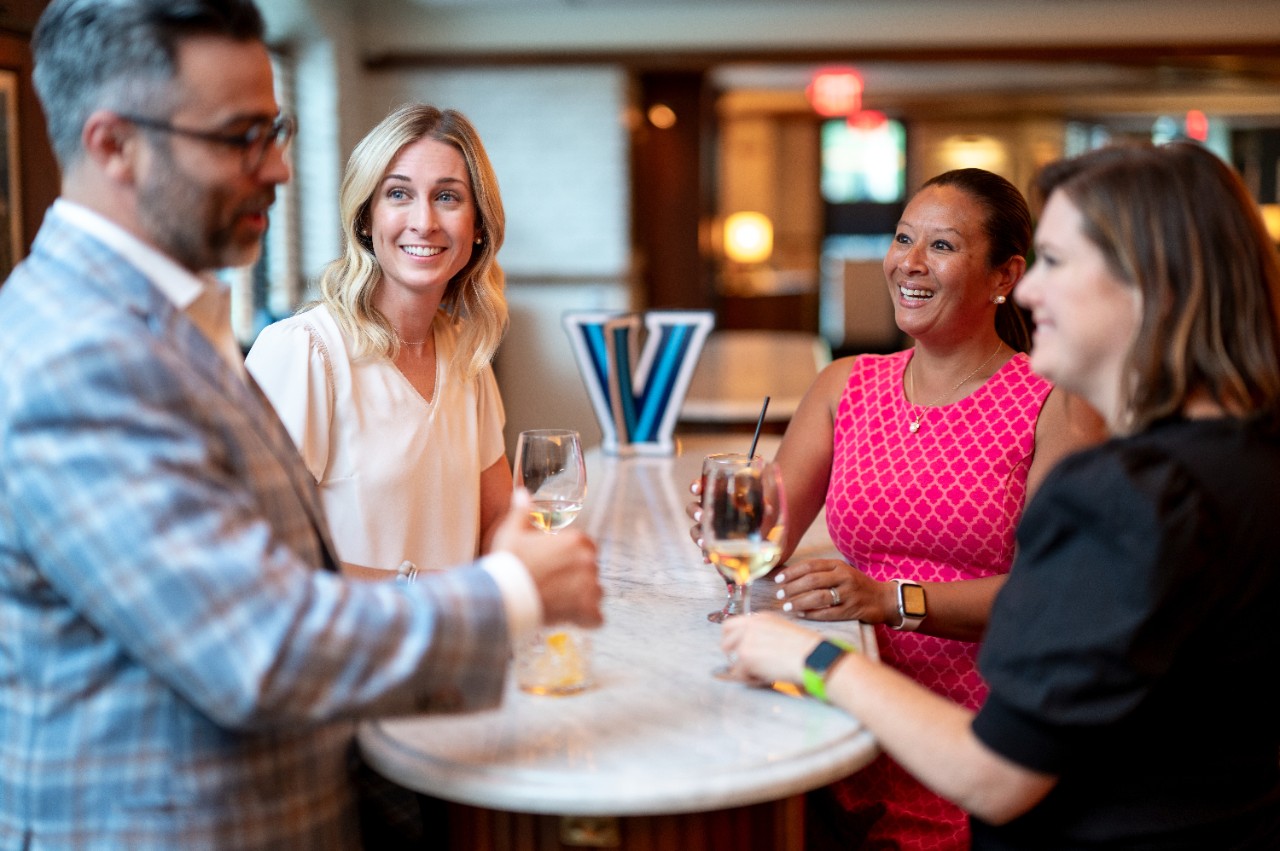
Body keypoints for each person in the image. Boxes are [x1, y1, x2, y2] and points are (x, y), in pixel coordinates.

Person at [0, 1, 600, 848]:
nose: (280, 167)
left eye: (275, 130)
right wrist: (508, 592)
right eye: (240, 135)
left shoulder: (172, 323)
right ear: (114, 146)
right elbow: (259, 646)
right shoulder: (79, 354)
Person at [724, 140, 1280, 849]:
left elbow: (996, 774)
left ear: (1153, 285)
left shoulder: (1129, 497)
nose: (1030, 291)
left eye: (1056, 262)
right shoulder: (1248, 461)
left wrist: (811, 658)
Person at [697, 168, 1103, 848]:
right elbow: (764, 543)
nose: (908, 263)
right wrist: (726, 520)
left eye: (941, 246)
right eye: (902, 238)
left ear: (1006, 275)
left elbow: (1048, 604)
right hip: (839, 717)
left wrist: (892, 598)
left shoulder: (1053, 401)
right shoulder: (845, 384)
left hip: (971, 739)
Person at [247, 103, 510, 578]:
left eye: (448, 197)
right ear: (365, 218)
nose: (424, 221)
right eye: (398, 194)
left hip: (456, 647)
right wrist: (433, 597)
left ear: (478, 227)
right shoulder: (304, 353)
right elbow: (260, 556)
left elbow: (498, 522)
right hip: (348, 649)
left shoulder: (467, 357)